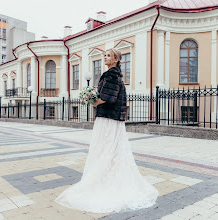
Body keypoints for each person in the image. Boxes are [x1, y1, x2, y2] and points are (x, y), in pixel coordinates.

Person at [55, 48, 159, 213]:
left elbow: (109, 97)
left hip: (108, 118)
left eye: (109, 55)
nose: (105, 57)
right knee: (113, 150)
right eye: (105, 55)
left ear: (117, 59)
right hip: (114, 118)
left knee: (104, 148)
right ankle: (110, 176)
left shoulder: (110, 75)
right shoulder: (116, 75)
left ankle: (102, 179)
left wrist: (94, 102)